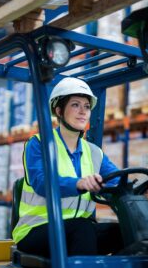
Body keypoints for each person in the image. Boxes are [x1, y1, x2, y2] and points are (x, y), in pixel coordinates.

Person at [12, 77, 124, 257]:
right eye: (75, 105)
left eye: (86, 106)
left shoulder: (94, 152)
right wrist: (78, 184)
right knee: (83, 228)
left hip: (75, 230)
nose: (83, 112)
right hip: (36, 230)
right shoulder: (38, 144)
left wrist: (135, 189)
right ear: (59, 111)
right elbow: (42, 183)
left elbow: (116, 180)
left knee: (124, 232)